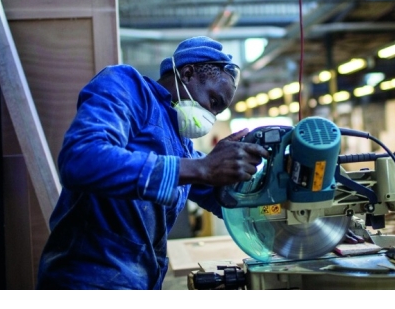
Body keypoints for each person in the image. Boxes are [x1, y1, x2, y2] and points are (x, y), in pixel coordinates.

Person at [36, 36, 269, 290]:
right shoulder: (127, 87)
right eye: (213, 102)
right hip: (87, 282)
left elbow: (227, 199)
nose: (211, 116)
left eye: (218, 112)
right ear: (188, 73)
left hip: (141, 282)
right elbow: (81, 159)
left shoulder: (181, 143)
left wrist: (267, 191)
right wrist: (203, 168)